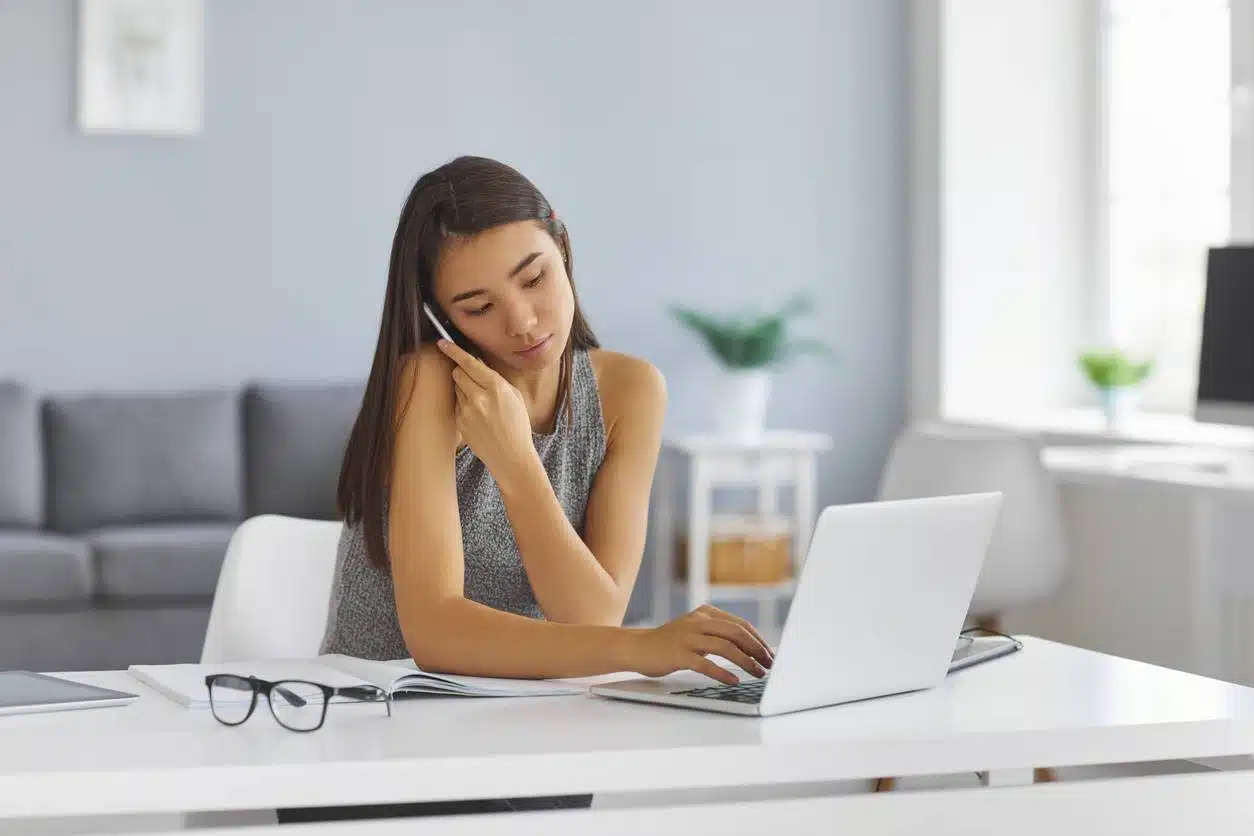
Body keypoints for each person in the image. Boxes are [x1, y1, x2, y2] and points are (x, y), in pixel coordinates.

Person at [276, 156, 774, 823]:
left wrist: (517, 462)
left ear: (561, 245)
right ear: (439, 314)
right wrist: (643, 646)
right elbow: (436, 632)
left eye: (534, 278)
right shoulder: (425, 384)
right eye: (477, 307)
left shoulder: (629, 391)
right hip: (374, 741)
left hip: (531, 721)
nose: (522, 323)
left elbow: (590, 614)